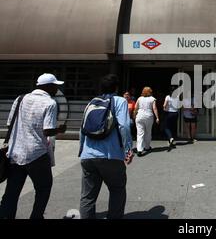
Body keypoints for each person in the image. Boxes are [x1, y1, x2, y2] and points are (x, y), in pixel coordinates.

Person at [0, 73, 67, 219]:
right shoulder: (50, 103)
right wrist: (60, 129)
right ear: (48, 87)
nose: (57, 89)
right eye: (55, 86)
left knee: (12, 191)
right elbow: (47, 130)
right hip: (37, 154)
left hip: (15, 153)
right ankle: (36, 216)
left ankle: (5, 216)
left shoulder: (20, 99)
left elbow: (9, 123)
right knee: (43, 188)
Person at [79, 74, 134, 219]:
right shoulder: (120, 101)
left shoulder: (92, 102)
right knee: (117, 190)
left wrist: (81, 150)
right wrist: (129, 148)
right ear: (116, 87)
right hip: (111, 155)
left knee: (87, 196)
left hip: (88, 155)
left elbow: (82, 128)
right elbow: (124, 126)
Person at [133, 87, 160, 157]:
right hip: (148, 116)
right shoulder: (152, 99)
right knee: (148, 132)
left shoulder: (139, 98)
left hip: (139, 116)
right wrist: (157, 117)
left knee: (140, 133)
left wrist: (134, 115)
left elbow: (136, 108)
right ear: (150, 92)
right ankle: (147, 147)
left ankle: (139, 149)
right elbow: (154, 108)